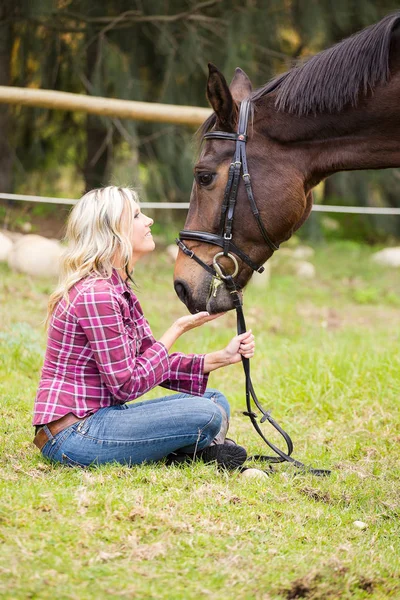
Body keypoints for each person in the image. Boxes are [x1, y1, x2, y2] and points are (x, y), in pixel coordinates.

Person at [33, 186, 255, 470]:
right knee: (207, 413)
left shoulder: (117, 289)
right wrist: (176, 330)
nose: (148, 220)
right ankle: (197, 449)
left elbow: (148, 363)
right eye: (137, 215)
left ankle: (190, 451)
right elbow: (126, 384)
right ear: (113, 231)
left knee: (213, 399)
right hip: (74, 435)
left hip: (104, 418)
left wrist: (221, 357)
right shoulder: (97, 295)